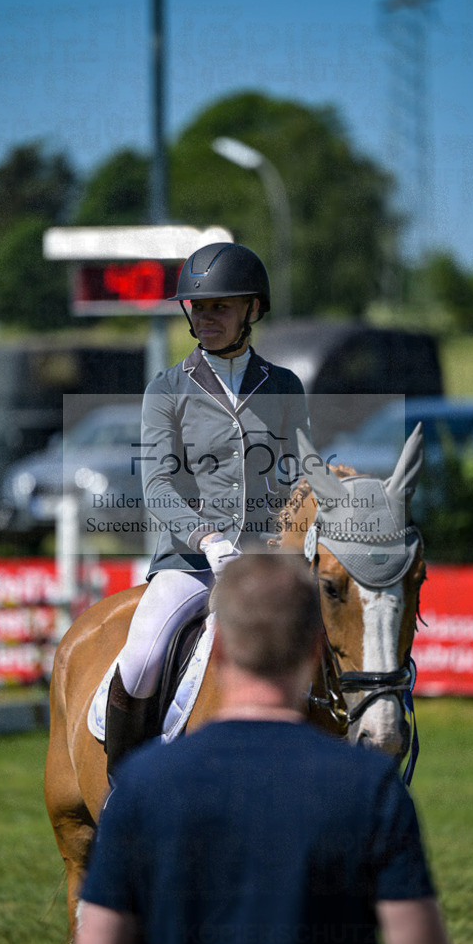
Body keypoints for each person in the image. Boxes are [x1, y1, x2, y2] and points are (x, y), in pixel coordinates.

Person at [76, 553, 452, 944]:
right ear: (316, 648)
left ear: (217, 648)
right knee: (143, 655)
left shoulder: (142, 782)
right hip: (193, 561)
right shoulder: (375, 785)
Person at [105, 242, 309, 776]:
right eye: (198, 307)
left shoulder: (284, 386)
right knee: (143, 657)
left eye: (221, 306)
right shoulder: (166, 389)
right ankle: (123, 785)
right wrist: (207, 539)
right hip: (191, 563)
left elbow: (298, 477)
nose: (206, 317)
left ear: (252, 309)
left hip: (266, 558)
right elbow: (157, 485)